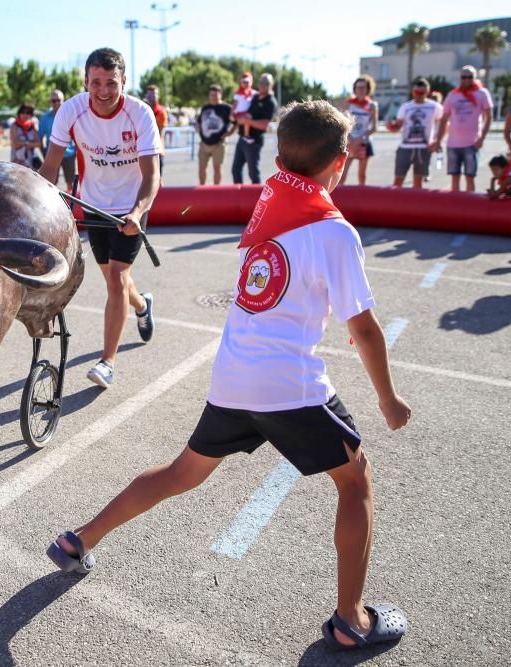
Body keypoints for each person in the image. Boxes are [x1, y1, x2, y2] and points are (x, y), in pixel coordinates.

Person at [46, 100, 413, 653]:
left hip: (235, 374)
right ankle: (350, 619)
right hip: (287, 382)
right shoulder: (333, 231)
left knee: (182, 473)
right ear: (339, 162)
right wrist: (388, 399)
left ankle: (79, 540)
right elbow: (363, 329)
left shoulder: (275, 201)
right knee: (355, 481)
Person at [39, 47, 161, 388]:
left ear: (124, 81)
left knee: (117, 278)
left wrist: (137, 212)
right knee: (114, 279)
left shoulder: (140, 114)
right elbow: (49, 168)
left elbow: (153, 177)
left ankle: (107, 362)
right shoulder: (71, 111)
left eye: (111, 82)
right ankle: (142, 305)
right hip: (93, 205)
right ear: (85, 82)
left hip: (131, 207)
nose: (104, 90)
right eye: (96, 82)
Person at [437, 65, 493, 192]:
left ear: (475, 78)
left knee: (470, 177)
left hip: (471, 143)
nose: (467, 80)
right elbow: (444, 118)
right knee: (454, 177)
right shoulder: (453, 95)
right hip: (453, 143)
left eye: (470, 77)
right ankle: (456, 205)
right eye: (464, 77)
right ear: (460, 78)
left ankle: (469, 205)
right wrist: (438, 140)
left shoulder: (482, 93)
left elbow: (488, 117)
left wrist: (482, 138)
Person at [388, 77, 443, 189]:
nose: (418, 95)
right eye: (416, 92)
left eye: (421, 93)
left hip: (424, 148)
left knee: (418, 181)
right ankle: (395, 204)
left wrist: (437, 141)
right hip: (405, 147)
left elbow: (444, 124)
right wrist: (392, 126)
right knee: (398, 180)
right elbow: (398, 126)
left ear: (427, 92)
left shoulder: (434, 107)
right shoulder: (406, 107)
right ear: (413, 92)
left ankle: (415, 205)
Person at [232, 73, 277, 184]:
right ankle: (238, 198)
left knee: (253, 173)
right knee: (235, 170)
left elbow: (265, 124)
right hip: (242, 137)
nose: (262, 85)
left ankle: (257, 199)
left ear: (270, 85)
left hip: (254, 141)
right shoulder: (255, 97)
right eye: (260, 83)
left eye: (265, 83)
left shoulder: (270, 102)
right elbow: (246, 110)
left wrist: (247, 121)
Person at [342, 75, 379, 186]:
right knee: (342, 174)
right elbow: (344, 123)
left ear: (368, 89)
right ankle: (337, 199)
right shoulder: (349, 103)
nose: (361, 90)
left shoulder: (372, 105)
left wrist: (360, 139)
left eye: (363, 87)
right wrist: (350, 139)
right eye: (358, 87)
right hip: (350, 142)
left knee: (361, 175)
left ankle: (361, 200)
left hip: (364, 143)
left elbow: (374, 128)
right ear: (355, 89)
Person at [195, 84, 233, 185]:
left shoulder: (227, 108)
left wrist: (230, 132)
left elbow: (236, 122)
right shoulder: (205, 107)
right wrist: (197, 127)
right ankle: (202, 190)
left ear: (220, 95)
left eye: (216, 95)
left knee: (217, 168)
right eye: (211, 95)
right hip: (204, 143)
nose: (213, 97)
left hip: (219, 144)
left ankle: (216, 191)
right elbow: (199, 121)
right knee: (201, 168)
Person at [38, 90, 76, 186]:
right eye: (53, 100)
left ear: (63, 100)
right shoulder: (44, 118)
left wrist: (76, 152)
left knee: (70, 183)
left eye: (58, 100)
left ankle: (68, 201)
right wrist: (45, 154)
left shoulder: (70, 115)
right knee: (50, 184)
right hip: (51, 155)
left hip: (69, 154)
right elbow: (40, 138)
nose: (56, 103)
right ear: (50, 102)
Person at [10, 103, 43, 170]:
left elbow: (39, 144)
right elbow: (15, 144)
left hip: (30, 163)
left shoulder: (32, 126)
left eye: (28, 113)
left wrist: (23, 143)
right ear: (19, 113)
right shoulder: (14, 125)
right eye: (23, 112)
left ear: (31, 115)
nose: (25, 115)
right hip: (17, 162)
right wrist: (29, 144)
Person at [145, 85, 168, 174]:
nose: (152, 97)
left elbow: (160, 133)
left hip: (156, 146)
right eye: (150, 94)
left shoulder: (161, 111)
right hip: (141, 147)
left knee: (158, 176)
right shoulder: (141, 109)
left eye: (154, 94)